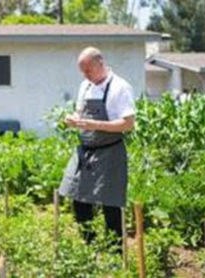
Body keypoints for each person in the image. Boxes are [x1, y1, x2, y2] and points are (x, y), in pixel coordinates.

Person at [58, 47, 136, 252]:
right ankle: (89, 249)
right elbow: (80, 112)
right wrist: (73, 119)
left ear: (100, 64)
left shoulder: (120, 87)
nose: (85, 75)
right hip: (85, 151)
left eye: (88, 70)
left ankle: (115, 255)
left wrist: (96, 125)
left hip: (110, 151)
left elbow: (128, 124)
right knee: (78, 200)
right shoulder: (85, 86)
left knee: (111, 205)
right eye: (82, 71)